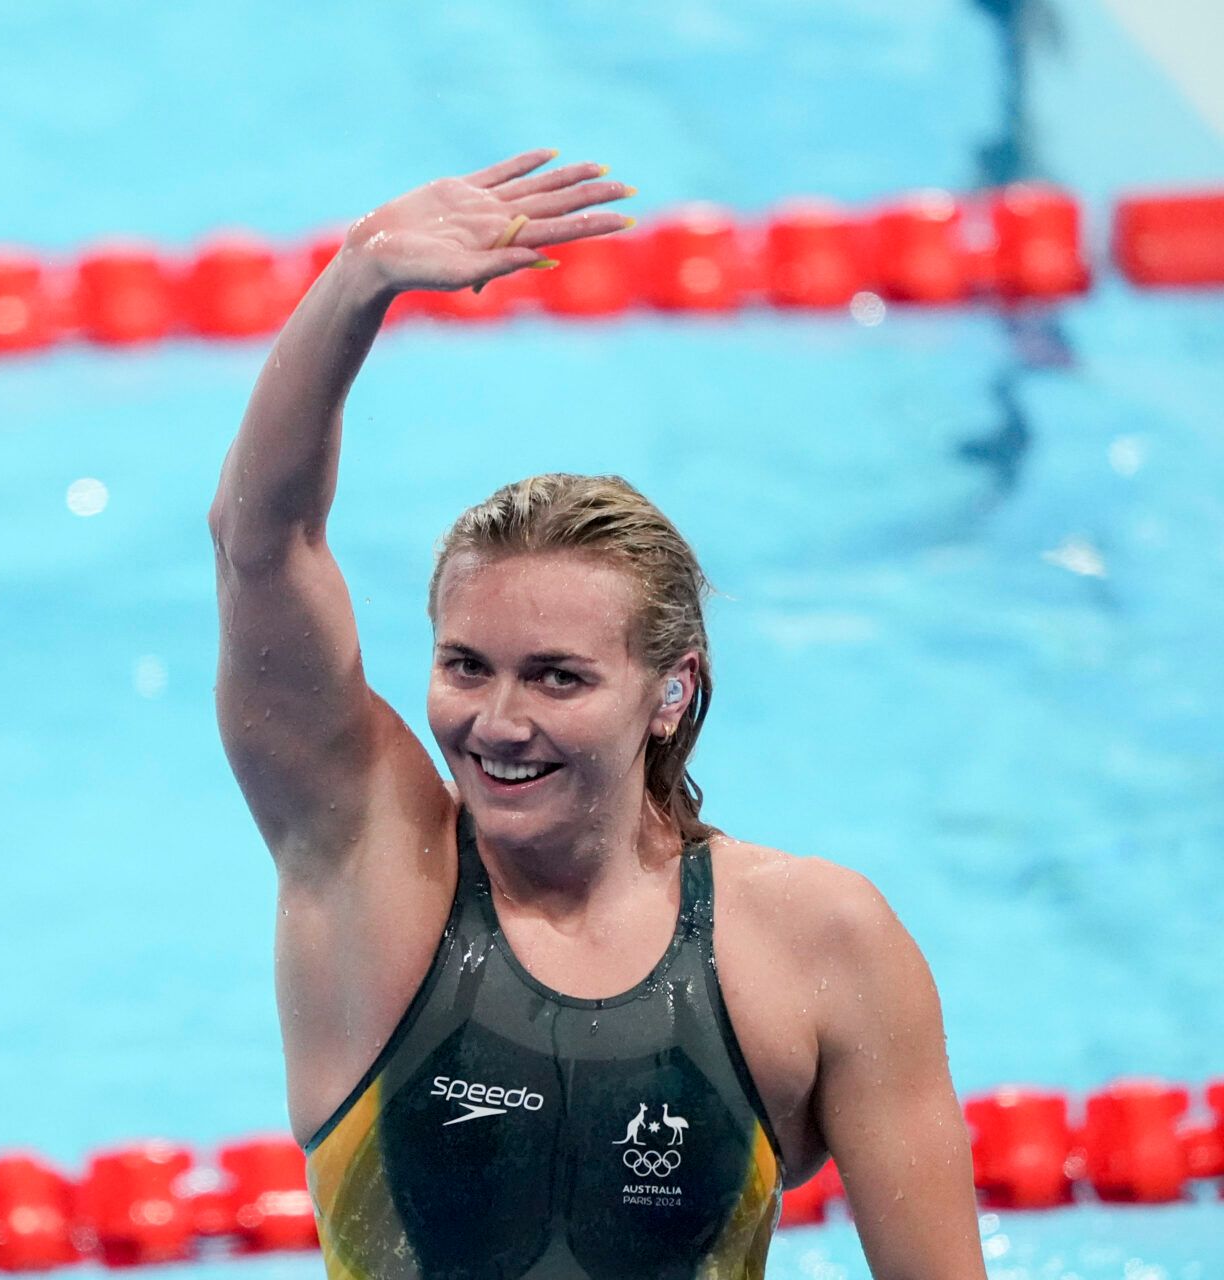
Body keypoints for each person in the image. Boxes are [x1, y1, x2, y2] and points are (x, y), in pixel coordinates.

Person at [207, 150, 986, 1279]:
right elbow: (258, 544)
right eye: (466, 666)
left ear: (670, 690)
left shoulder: (819, 944)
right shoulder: (370, 864)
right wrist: (357, 276)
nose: (497, 722)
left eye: (558, 676)